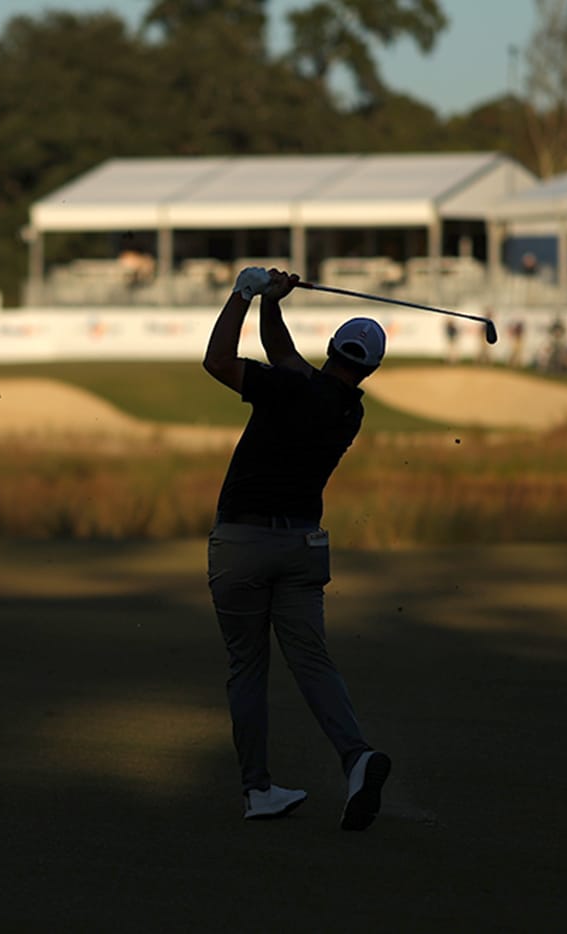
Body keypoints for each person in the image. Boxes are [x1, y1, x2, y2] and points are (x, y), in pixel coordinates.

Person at [201, 265, 392, 831]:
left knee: (248, 667)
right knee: (312, 660)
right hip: (304, 548)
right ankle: (356, 757)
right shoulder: (348, 410)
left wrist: (243, 293)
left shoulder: (290, 387)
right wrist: (272, 302)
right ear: (369, 369)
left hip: (241, 542)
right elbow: (284, 356)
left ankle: (258, 789)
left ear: (331, 347)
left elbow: (217, 361)